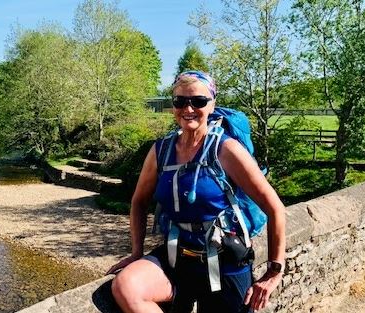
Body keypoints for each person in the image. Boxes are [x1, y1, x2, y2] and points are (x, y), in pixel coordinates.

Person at [107, 71, 286, 313]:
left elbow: (275, 208)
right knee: (126, 287)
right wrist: (136, 253)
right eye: (180, 101)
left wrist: (274, 272)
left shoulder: (227, 150)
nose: (188, 108)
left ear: (212, 104)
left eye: (198, 101)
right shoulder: (161, 151)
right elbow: (139, 202)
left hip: (225, 264)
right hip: (177, 258)